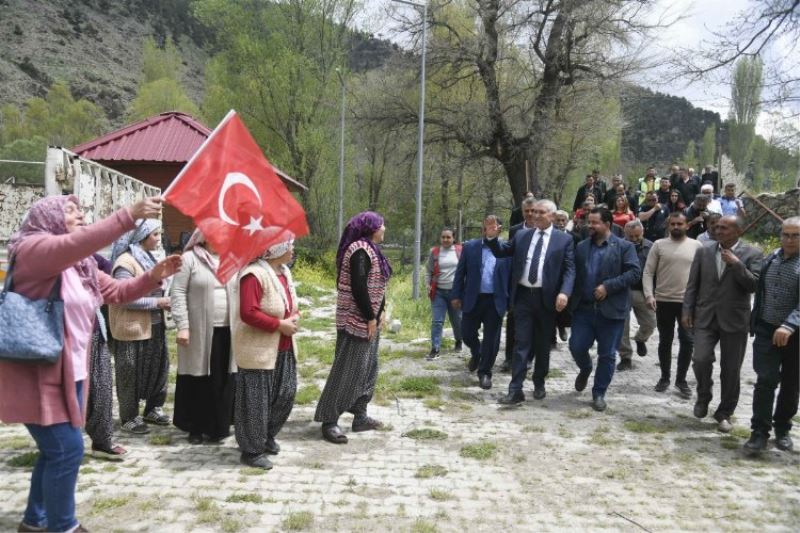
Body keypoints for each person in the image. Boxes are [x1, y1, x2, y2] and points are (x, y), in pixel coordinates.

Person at [0, 195, 179, 533]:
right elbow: (79, 242)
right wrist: (128, 216)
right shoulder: (33, 250)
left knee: (54, 451)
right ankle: (64, 526)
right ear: (48, 218)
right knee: (67, 451)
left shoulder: (79, 266)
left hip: (70, 373)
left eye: (80, 209)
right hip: (36, 373)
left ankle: (34, 522)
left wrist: (153, 275)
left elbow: (119, 292)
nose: (80, 214)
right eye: (70, 210)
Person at [487, 199, 576, 404]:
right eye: (533, 211)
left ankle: (539, 381)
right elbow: (503, 251)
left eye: (540, 212)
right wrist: (492, 239)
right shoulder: (522, 235)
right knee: (521, 343)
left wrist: (564, 292)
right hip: (523, 297)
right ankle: (515, 389)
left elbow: (570, 269)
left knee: (543, 344)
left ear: (552, 216)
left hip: (547, 299)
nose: (534, 215)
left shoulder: (563, 240)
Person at [315, 212, 391, 444]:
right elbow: (359, 288)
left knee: (368, 370)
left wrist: (380, 314)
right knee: (347, 372)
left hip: (370, 321)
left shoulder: (370, 248)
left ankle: (360, 416)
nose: (384, 228)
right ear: (371, 228)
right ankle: (329, 420)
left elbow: (375, 285)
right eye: (381, 225)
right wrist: (370, 317)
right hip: (355, 322)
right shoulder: (360, 250)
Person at [682, 216, 763, 433]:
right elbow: (693, 284)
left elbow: (754, 285)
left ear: (738, 230)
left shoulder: (753, 254)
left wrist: (736, 264)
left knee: (731, 369)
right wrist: (687, 309)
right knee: (700, 358)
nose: (718, 230)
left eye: (724, 228)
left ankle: (725, 412)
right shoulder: (704, 250)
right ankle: (703, 395)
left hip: (734, 319)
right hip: (705, 316)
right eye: (716, 227)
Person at [232, 238, 299, 469]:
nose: (292, 249)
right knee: (255, 401)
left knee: (286, 392)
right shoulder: (253, 275)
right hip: (257, 349)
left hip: (284, 346)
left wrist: (293, 316)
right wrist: (279, 324)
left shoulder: (283, 273)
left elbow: (289, 301)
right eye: (289, 245)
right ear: (276, 249)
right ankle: (251, 450)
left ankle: (266, 434)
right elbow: (248, 312)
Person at [170, 230, 238, 445]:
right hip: (198, 330)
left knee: (222, 377)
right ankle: (196, 427)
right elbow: (178, 292)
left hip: (228, 328)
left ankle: (218, 427)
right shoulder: (190, 259)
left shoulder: (232, 259)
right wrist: (182, 326)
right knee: (198, 377)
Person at [569, 207, 640, 411]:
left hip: (612, 310)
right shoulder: (581, 247)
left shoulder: (624, 247)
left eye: (594, 223)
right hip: (584, 309)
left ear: (607, 224)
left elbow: (634, 273)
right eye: (588, 222)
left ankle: (599, 393)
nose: (589, 226)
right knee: (576, 346)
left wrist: (608, 286)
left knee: (607, 354)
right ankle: (585, 368)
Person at [109, 220, 172, 434]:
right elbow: (123, 298)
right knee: (130, 372)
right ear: (142, 236)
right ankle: (129, 417)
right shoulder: (125, 263)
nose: (159, 239)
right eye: (155, 235)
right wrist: (157, 303)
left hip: (155, 326)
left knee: (158, 369)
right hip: (132, 329)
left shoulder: (151, 259)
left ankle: (153, 408)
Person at [743, 217, 799, 454]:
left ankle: (782, 428)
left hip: (795, 335)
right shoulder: (772, 258)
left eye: (795, 235)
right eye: (785, 234)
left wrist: (789, 325)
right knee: (765, 380)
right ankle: (759, 433)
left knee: (791, 384)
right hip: (766, 330)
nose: (789, 239)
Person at [643, 212, 704, 398]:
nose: (676, 227)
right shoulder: (659, 245)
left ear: (687, 225)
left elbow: (703, 274)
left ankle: (681, 380)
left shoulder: (697, 246)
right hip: (663, 300)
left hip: (688, 304)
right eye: (673, 224)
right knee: (665, 340)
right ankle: (664, 377)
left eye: (680, 223)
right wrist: (648, 295)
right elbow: (648, 272)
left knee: (687, 341)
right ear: (668, 226)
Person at [451, 215, 511, 390]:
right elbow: (460, 273)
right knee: (467, 332)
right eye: (487, 224)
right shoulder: (470, 247)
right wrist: (456, 295)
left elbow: (512, 276)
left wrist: (511, 300)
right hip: (473, 298)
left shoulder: (507, 249)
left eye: (494, 225)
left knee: (491, 339)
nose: (490, 227)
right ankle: (476, 353)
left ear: (500, 228)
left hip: (495, 300)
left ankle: (484, 373)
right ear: (483, 227)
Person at [85, 253, 128, 461]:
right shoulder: (47, 256)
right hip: (63, 339)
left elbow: (108, 269)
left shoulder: (86, 256)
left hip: (94, 332)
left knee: (101, 389)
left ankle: (102, 441)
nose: (81, 220)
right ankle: (60, 446)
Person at [503, 198, 538, 372]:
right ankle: (509, 357)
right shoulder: (515, 231)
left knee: (533, 324)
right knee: (512, 321)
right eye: (527, 211)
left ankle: (529, 357)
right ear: (522, 212)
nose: (530, 214)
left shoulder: (543, 230)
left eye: (533, 210)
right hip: (518, 284)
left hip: (537, 286)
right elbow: (509, 255)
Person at [617, 220, 656, 370]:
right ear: (625, 234)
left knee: (650, 323)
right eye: (630, 236)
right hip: (623, 291)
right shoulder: (618, 246)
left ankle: (641, 339)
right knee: (622, 327)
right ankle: (625, 357)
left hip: (643, 291)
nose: (633, 239)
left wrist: (653, 292)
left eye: (637, 236)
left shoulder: (651, 247)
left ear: (643, 233)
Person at [424, 228, 463, 360]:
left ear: (453, 238)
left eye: (448, 237)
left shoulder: (460, 251)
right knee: (437, 321)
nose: (445, 240)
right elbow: (428, 270)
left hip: (455, 293)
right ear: (440, 238)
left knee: (457, 320)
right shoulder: (434, 252)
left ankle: (459, 340)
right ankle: (435, 348)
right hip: (438, 293)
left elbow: (466, 270)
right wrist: (428, 284)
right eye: (443, 237)